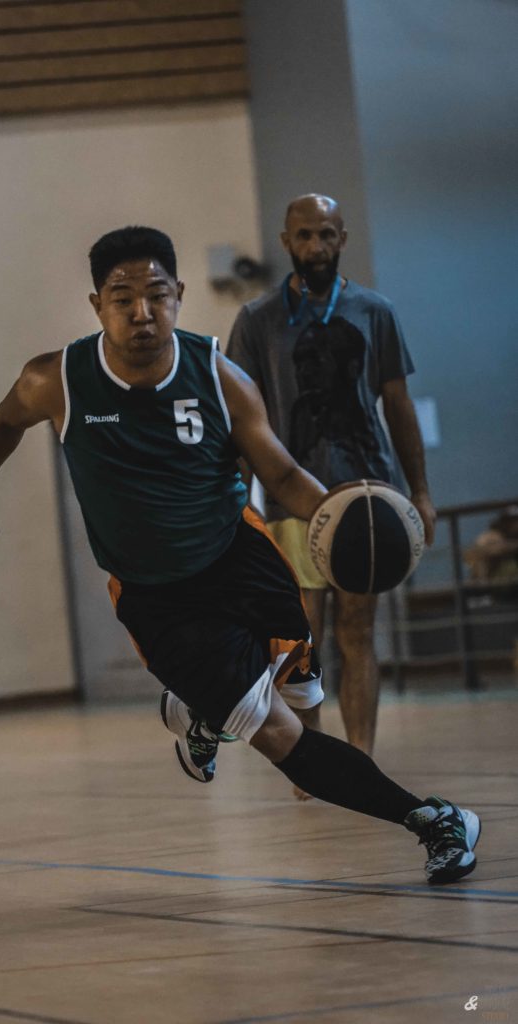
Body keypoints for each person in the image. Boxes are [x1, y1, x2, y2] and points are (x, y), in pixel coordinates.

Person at [0, 225, 479, 885]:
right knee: (281, 737)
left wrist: (342, 518)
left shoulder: (218, 376)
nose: (141, 312)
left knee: (305, 688)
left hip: (241, 556)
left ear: (178, 294)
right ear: (96, 306)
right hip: (159, 599)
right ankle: (436, 820)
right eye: (122, 298)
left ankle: (199, 713)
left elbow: (281, 474)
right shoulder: (54, 380)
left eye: (156, 295)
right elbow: (2, 425)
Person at [225, 193, 437, 765]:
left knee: (358, 629)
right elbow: (241, 420)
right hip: (290, 502)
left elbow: (399, 405)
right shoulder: (256, 320)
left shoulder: (375, 311)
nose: (315, 246)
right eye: (304, 235)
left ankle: (360, 757)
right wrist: (237, 507)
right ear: (286, 242)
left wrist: (420, 492)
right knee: (302, 639)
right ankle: (315, 761)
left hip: (368, 499)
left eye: (326, 234)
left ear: (342, 238)